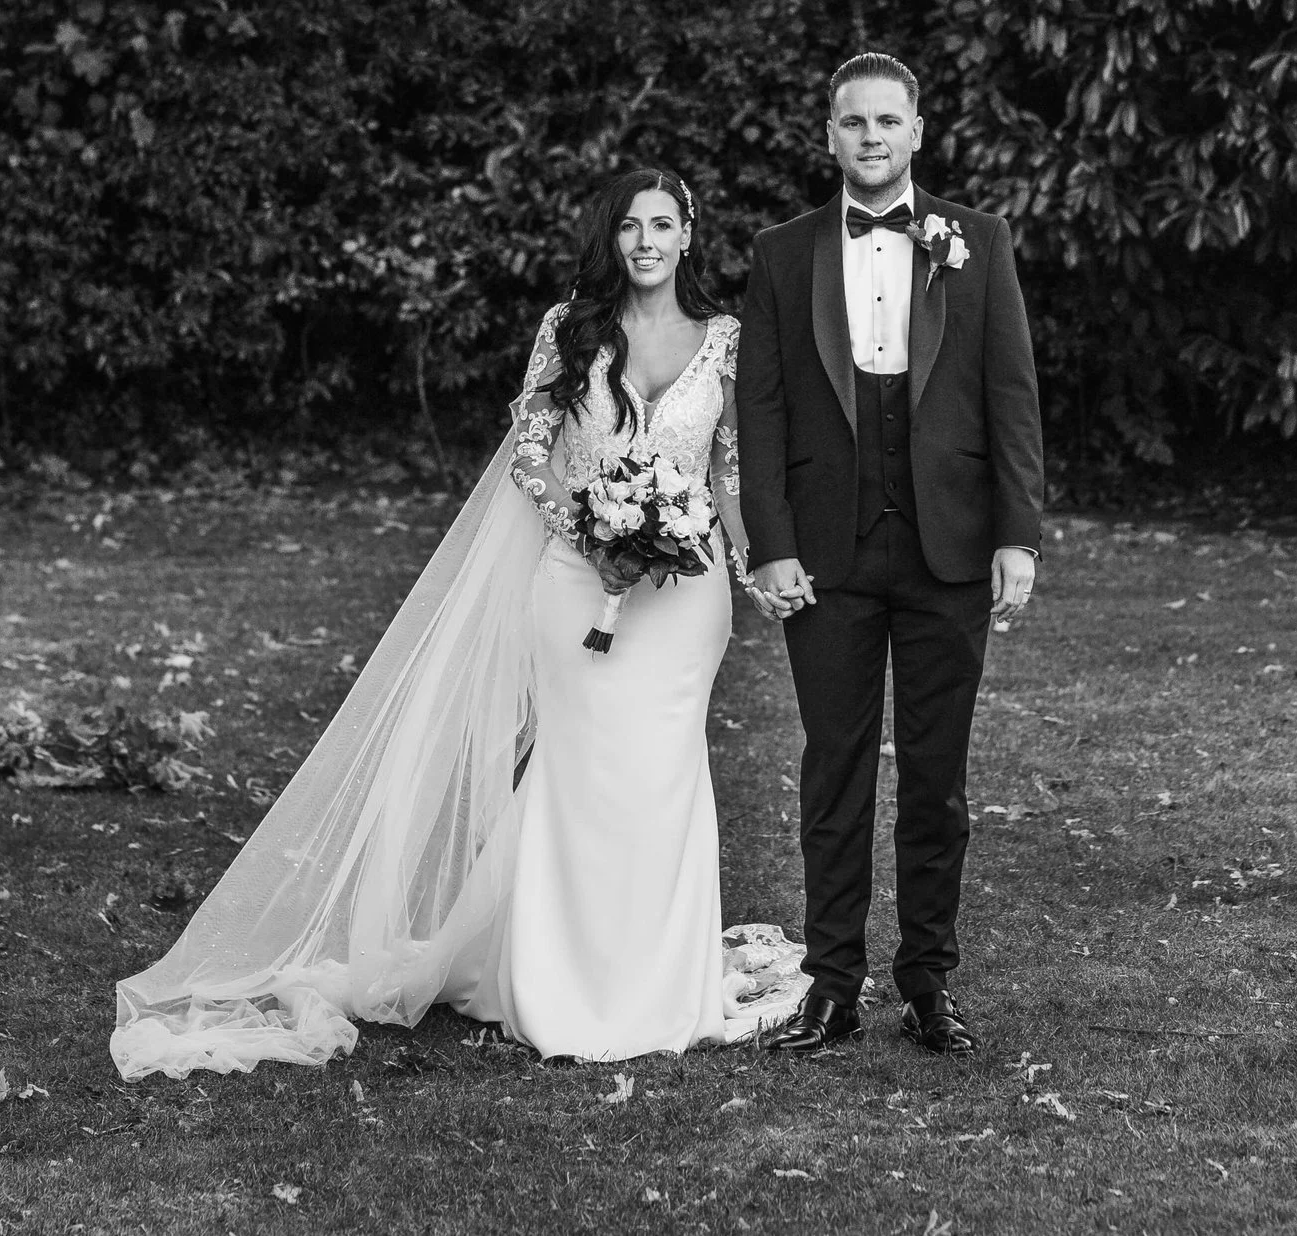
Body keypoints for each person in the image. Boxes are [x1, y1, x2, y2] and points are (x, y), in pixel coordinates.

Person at [111, 169, 800, 1075]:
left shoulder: (726, 340)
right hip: (574, 584)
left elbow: (728, 472)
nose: (646, 242)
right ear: (612, 238)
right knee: (580, 771)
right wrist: (591, 534)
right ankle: (557, 980)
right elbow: (531, 455)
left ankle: (658, 979)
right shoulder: (569, 328)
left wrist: (756, 566)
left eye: (662, 225)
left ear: (687, 234)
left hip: (684, 600)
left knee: (664, 774)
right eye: (630, 226)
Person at [737, 53, 1044, 1058]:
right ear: (829, 135)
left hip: (946, 544)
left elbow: (1010, 393)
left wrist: (1017, 532)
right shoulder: (782, 252)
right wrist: (771, 545)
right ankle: (831, 984)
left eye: (886, 121)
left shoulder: (978, 240)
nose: (870, 137)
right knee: (833, 770)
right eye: (852, 122)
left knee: (937, 776)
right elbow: (762, 410)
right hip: (825, 552)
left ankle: (927, 981)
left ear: (916, 130)